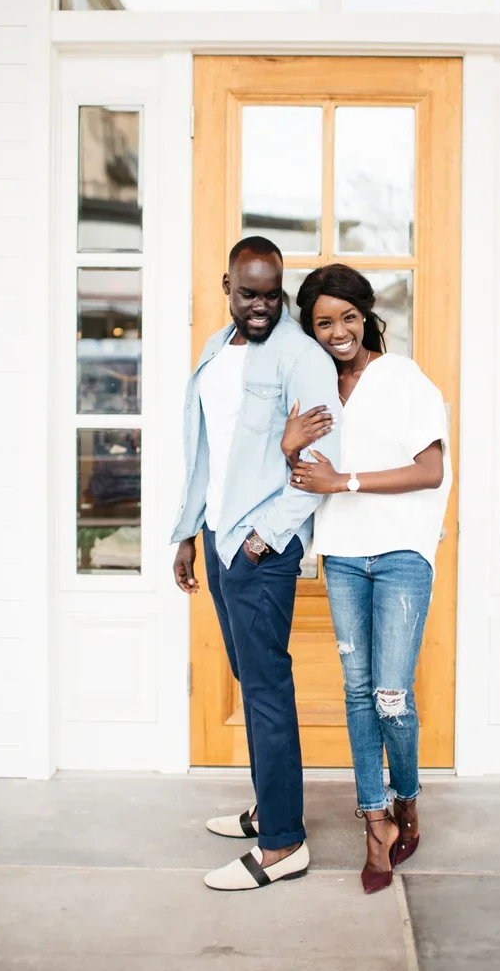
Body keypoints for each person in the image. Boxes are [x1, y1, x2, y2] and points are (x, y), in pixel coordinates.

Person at [171, 236, 339, 891]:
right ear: (228, 286)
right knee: (251, 678)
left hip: (259, 549)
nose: (262, 305)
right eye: (250, 294)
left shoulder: (301, 356)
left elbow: (320, 461)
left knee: (267, 690)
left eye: (272, 294)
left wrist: (264, 538)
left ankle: (283, 843)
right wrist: (189, 531)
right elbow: (206, 451)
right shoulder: (219, 349)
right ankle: (274, 806)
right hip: (218, 538)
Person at [281, 264, 452, 895]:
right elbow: (300, 470)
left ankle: (407, 796)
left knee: (390, 695)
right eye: (323, 322)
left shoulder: (402, 377)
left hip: (403, 552)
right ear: (312, 328)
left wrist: (343, 483)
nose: (338, 332)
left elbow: (429, 469)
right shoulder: (316, 387)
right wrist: (285, 445)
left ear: (365, 316)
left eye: (347, 317)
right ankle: (375, 822)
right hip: (344, 555)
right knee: (356, 691)